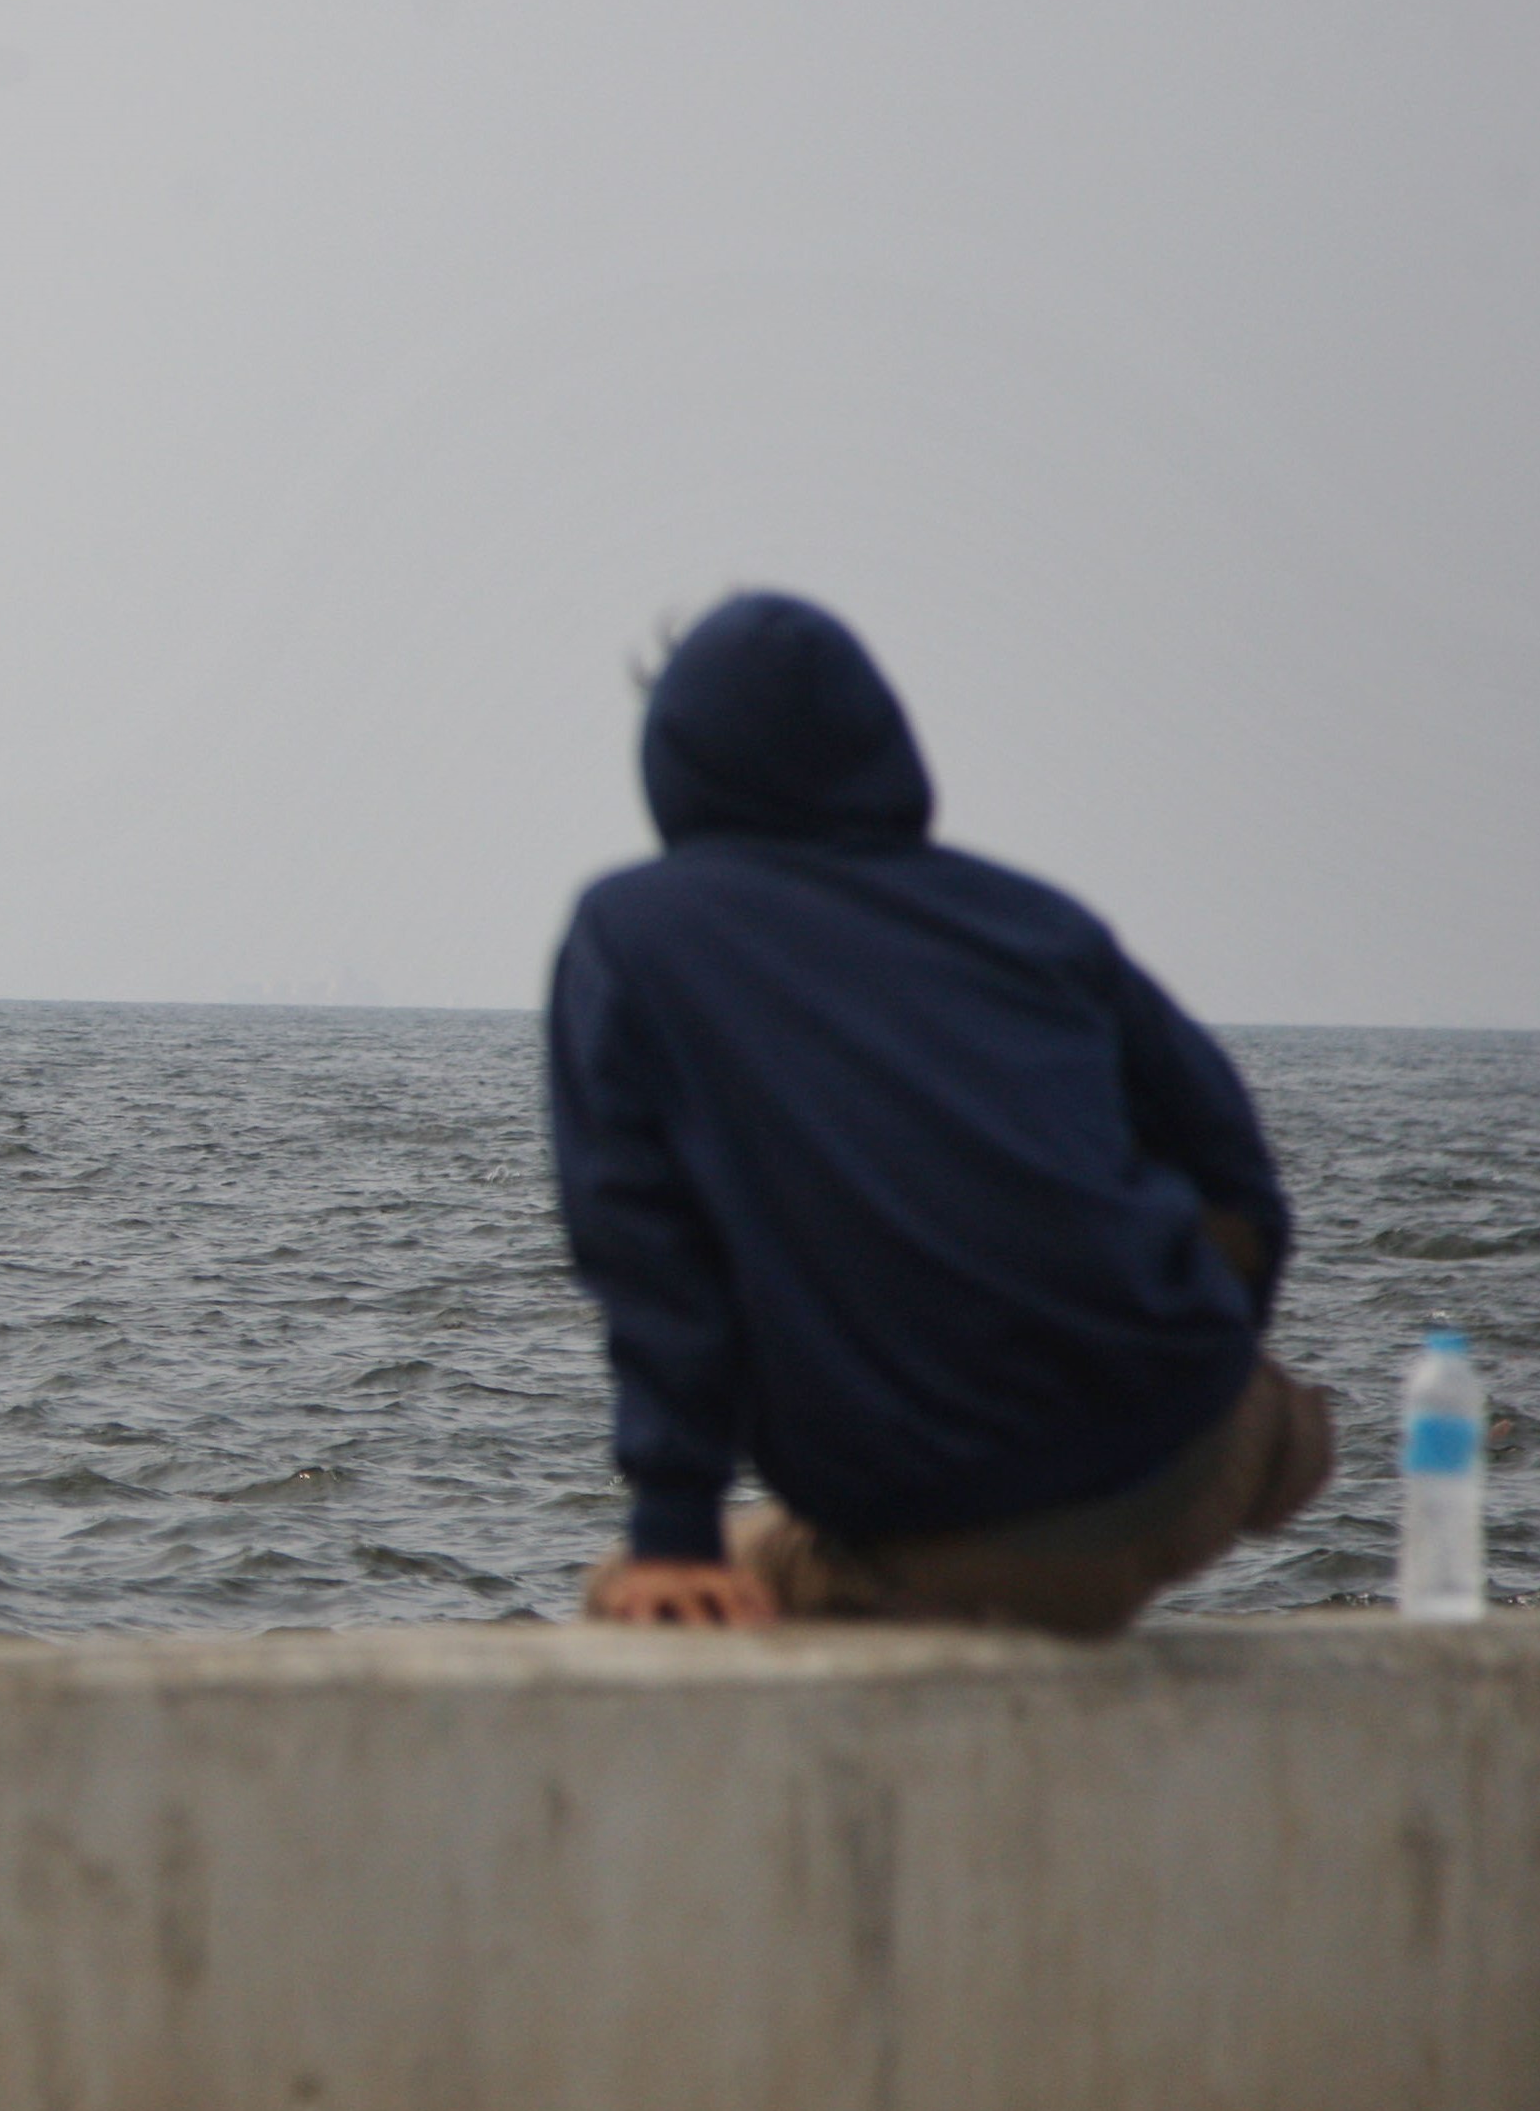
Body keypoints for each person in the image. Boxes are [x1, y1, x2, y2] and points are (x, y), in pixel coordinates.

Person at [548, 591, 1331, 1636]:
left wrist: (671, 1533)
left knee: (635, 1589)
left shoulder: (635, 936)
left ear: (674, 762)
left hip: (969, 1542)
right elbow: (1236, 1178)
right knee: (1285, 1424)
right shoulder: (1032, 920)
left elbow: (651, 1261)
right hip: (1206, 1455)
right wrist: (1182, 1364)